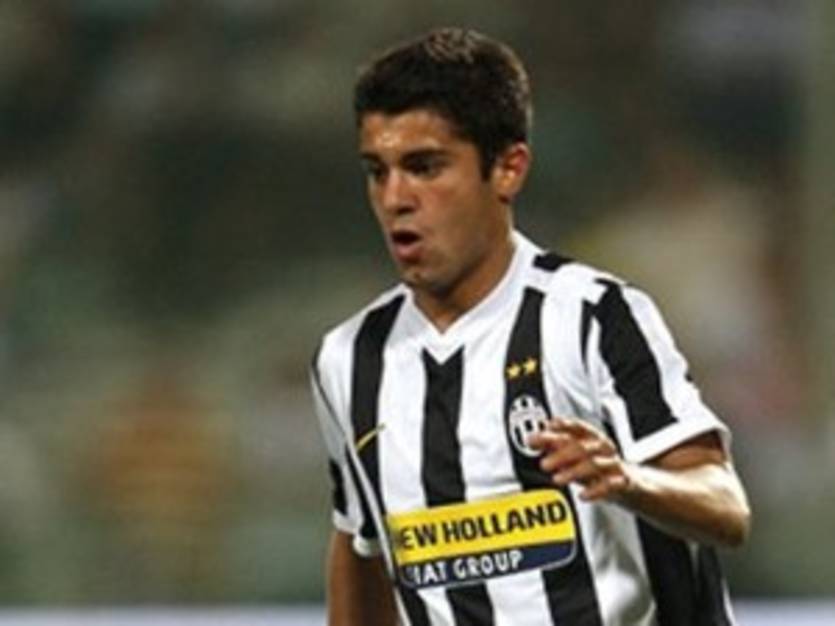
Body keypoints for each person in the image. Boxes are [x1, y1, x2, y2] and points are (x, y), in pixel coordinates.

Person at [310, 27, 750, 626]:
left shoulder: (594, 317)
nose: (395, 198)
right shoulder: (349, 359)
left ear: (508, 168)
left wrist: (628, 480)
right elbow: (360, 543)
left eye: (424, 167)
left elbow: (726, 506)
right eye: (376, 171)